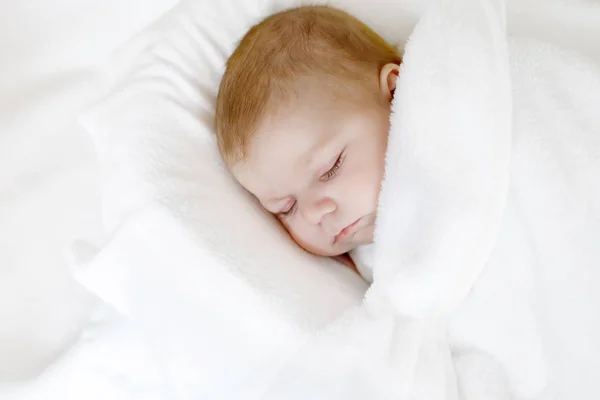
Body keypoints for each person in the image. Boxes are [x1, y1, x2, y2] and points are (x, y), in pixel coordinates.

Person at [215, 5, 400, 273]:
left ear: (395, 94)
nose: (313, 214)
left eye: (331, 168)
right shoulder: (373, 268)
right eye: (286, 208)